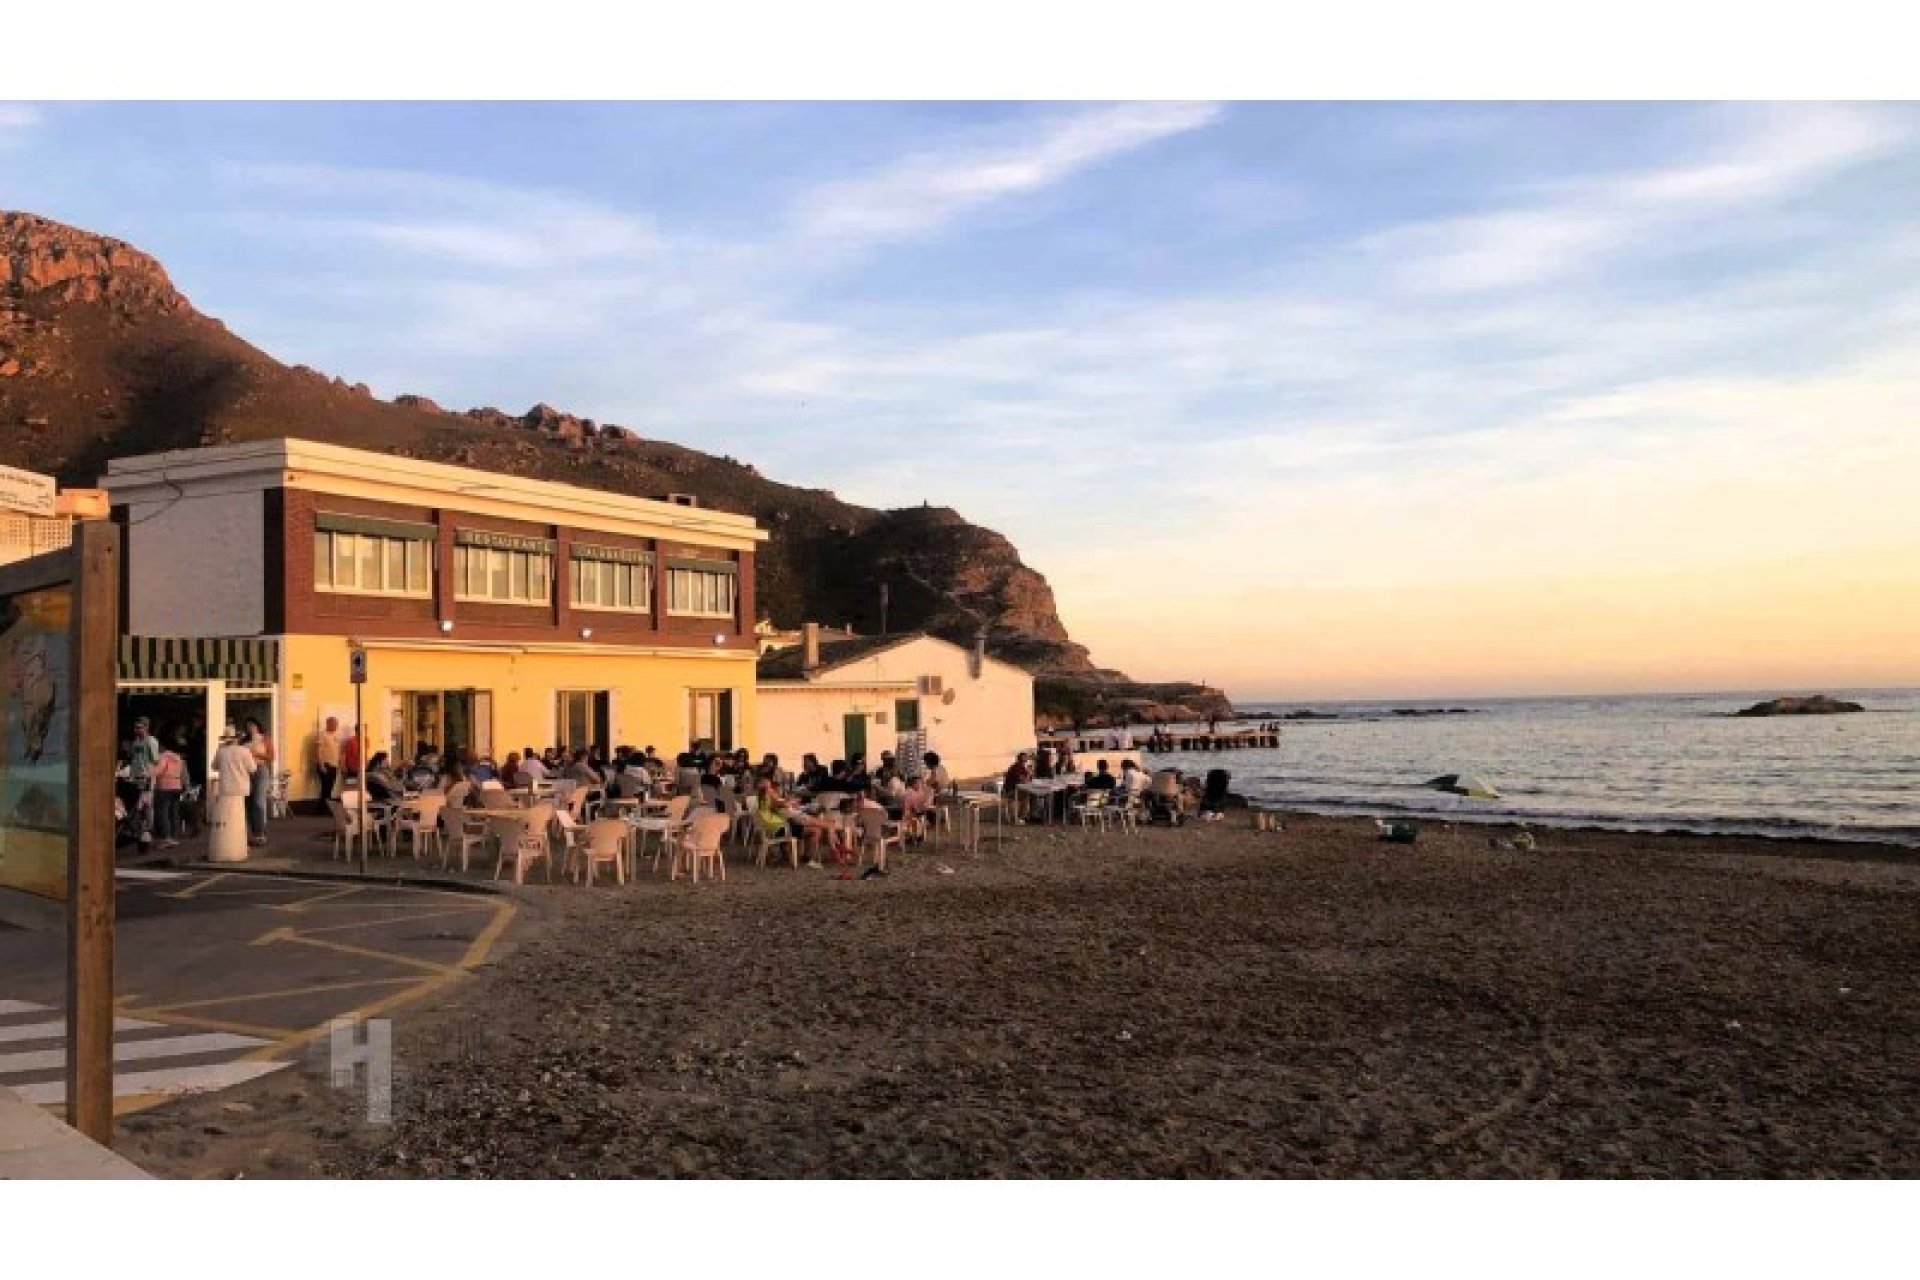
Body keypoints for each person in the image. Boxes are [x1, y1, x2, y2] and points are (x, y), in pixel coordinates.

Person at [211, 727, 257, 841]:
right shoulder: (244, 751)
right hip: (242, 788)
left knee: (228, 816)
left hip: (226, 788)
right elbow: (253, 769)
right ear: (237, 739)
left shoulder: (221, 751)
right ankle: (241, 839)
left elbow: (214, 766)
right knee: (242, 814)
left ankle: (229, 839)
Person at [243, 717, 274, 846]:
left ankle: (260, 832)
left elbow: (271, 757)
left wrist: (256, 754)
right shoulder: (243, 741)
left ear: (257, 726)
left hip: (260, 769)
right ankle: (253, 831)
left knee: (258, 800)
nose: (250, 728)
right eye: (248, 726)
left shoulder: (265, 739)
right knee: (248, 802)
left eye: (252, 725)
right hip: (246, 771)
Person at [151, 741, 188, 848]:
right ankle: (174, 836)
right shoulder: (177, 757)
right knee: (174, 812)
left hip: (165, 786)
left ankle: (166, 838)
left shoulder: (163, 757)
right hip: (177, 786)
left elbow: (159, 770)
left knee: (163, 812)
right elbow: (183, 772)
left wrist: (148, 771)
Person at [314, 716, 342, 803]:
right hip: (325, 765)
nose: (336, 726)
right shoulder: (322, 735)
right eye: (334, 724)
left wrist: (340, 761)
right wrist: (321, 765)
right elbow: (317, 750)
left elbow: (338, 749)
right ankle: (322, 808)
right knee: (325, 787)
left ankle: (327, 807)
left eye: (337, 724)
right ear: (328, 724)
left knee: (330, 787)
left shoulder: (336, 735)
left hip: (334, 765)